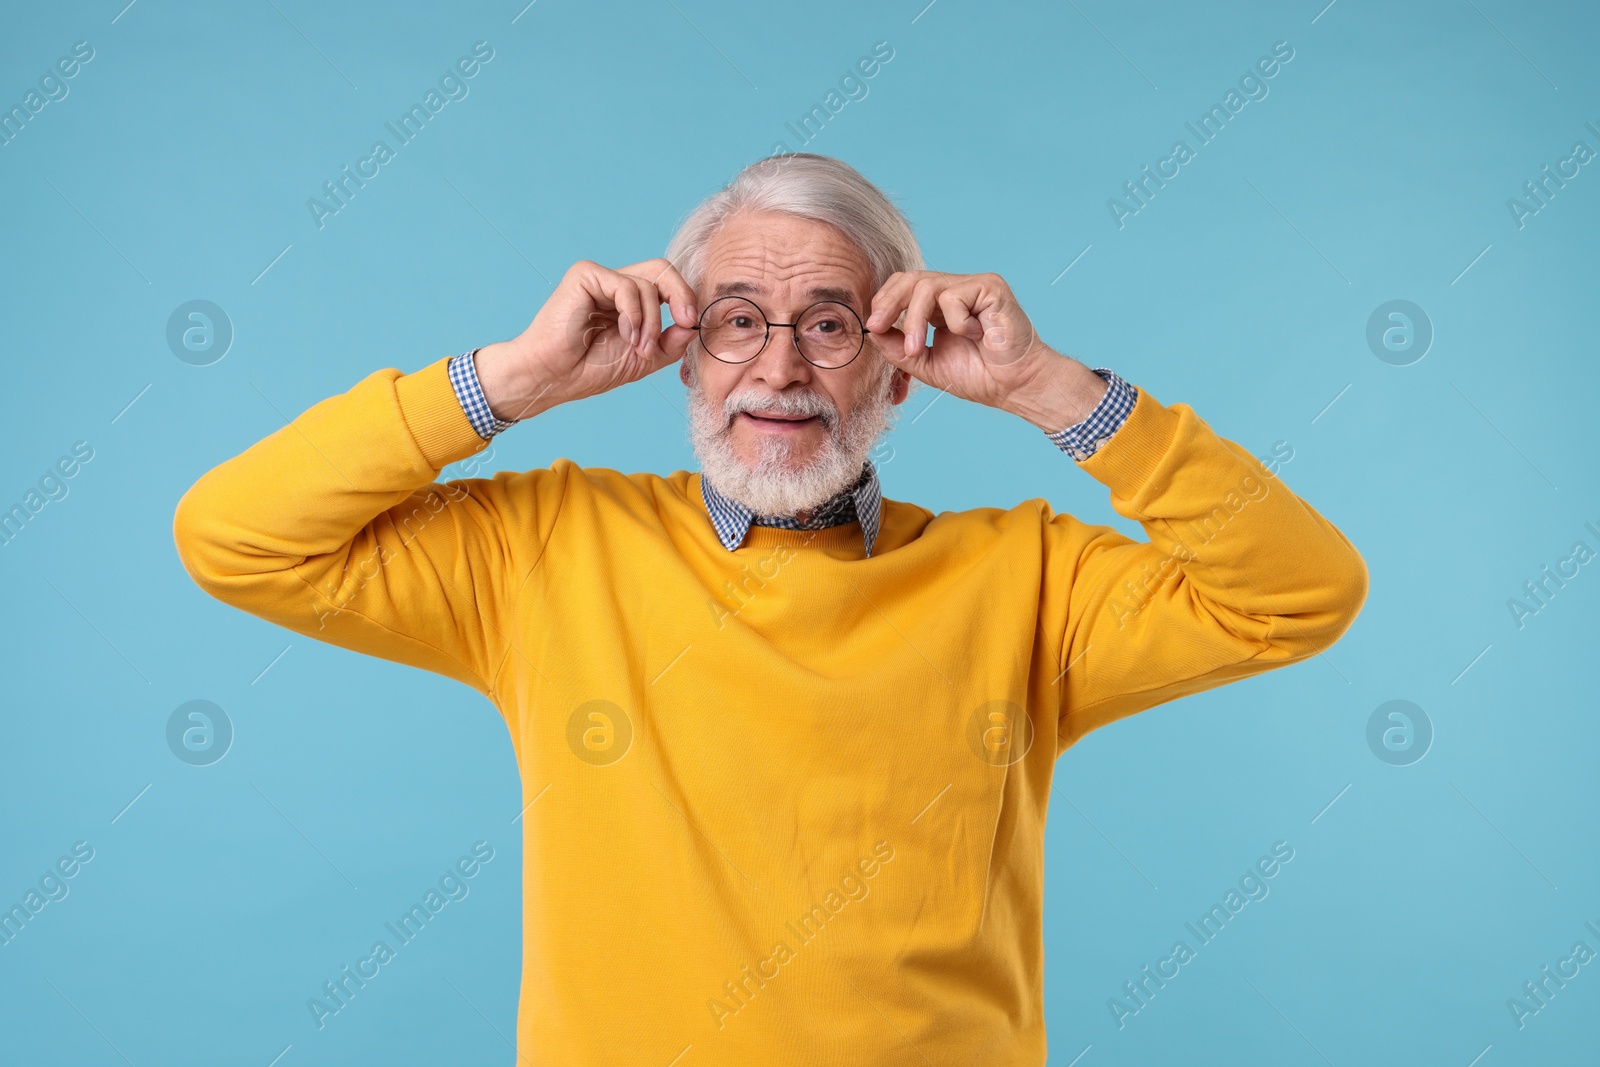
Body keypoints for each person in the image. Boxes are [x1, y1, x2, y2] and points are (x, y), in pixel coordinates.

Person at [173, 152, 1367, 1065]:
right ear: (683, 352)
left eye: (829, 325)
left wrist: (1048, 388)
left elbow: (1298, 591)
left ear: (900, 359)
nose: (781, 369)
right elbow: (234, 535)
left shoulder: (1026, 579)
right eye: (739, 319)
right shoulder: (547, 545)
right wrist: (514, 380)